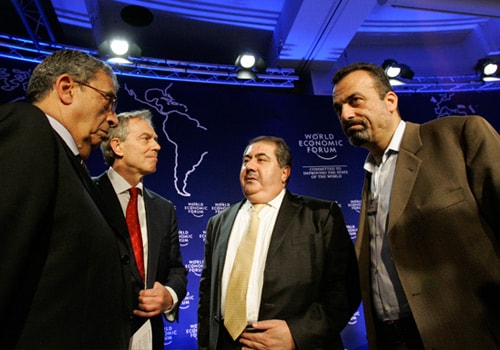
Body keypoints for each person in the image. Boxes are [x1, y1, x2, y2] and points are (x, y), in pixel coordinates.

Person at [332, 62, 500, 349]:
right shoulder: (371, 174)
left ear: (390, 101)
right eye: (338, 109)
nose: (346, 114)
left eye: (355, 101)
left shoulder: (459, 137)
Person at [0, 49, 133, 348]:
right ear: (66, 88)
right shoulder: (28, 129)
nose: (113, 119)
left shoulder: (69, 164)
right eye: (109, 101)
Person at [198, 135, 361, 350]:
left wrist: (296, 334)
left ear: (284, 173)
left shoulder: (320, 216)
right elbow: (206, 297)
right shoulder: (218, 223)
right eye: (246, 160)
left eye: (261, 159)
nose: (250, 166)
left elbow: (344, 291)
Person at [94, 109, 188, 349]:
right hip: (95, 333)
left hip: (148, 335)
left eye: (155, 139)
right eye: (146, 139)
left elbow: (176, 269)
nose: (156, 146)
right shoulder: (87, 195)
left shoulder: (164, 208)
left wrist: (169, 295)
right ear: (118, 146)